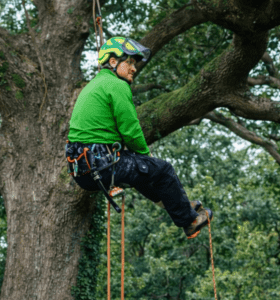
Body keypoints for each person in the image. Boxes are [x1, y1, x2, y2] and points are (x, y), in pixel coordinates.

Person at [66, 36, 213, 239]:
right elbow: (131, 131)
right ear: (113, 61)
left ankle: (179, 205)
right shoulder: (116, 85)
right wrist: (147, 156)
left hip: (82, 170)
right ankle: (189, 221)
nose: (134, 68)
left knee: (141, 174)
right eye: (129, 62)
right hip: (102, 164)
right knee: (162, 169)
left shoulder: (92, 86)